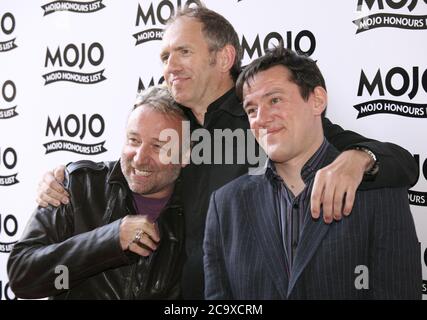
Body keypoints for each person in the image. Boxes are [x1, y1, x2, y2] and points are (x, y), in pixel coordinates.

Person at [35, 5, 418, 299]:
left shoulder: (267, 120)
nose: (170, 67)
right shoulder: (169, 121)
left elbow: (396, 161)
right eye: (164, 56)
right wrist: (63, 174)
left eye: (183, 52)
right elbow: (132, 163)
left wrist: (360, 158)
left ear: (224, 58)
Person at [203, 46, 421, 300]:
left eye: (275, 100)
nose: (261, 118)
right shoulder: (225, 205)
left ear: (317, 100)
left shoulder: (379, 191)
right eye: (251, 110)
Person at [7, 86, 188, 299]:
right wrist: (109, 241)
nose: (139, 158)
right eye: (134, 140)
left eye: (158, 146)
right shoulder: (78, 186)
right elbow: (24, 279)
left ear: (185, 155)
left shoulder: (197, 209)